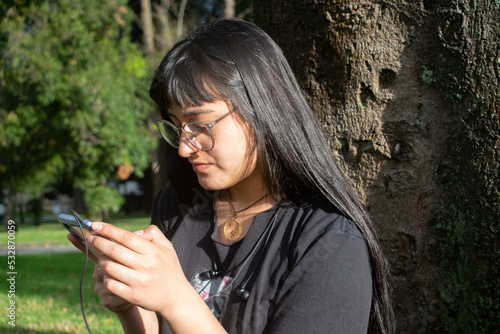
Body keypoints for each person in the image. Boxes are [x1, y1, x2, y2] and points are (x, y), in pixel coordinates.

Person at [69, 18, 394, 333]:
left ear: (262, 110)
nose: (184, 147)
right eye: (177, 126)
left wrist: (177, 298)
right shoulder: (177, 205)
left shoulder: (328, 243)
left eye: (200, 124)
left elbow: (177, 304)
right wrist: (132, 304)